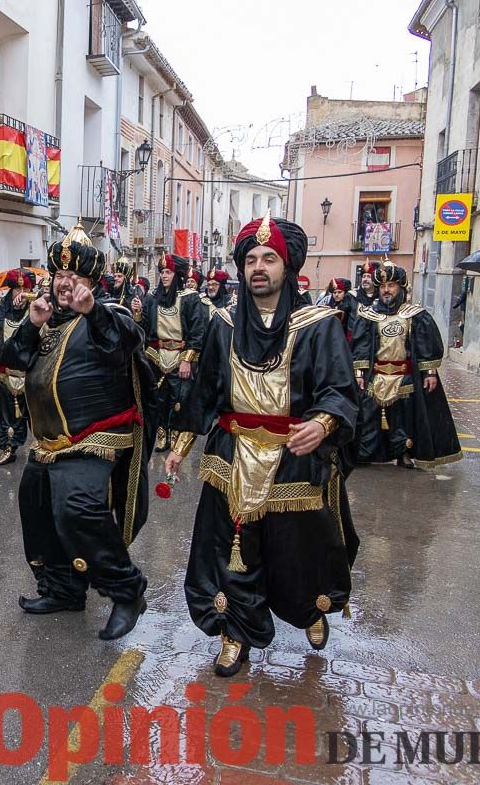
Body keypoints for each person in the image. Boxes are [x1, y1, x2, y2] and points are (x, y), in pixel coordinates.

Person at [166, 212, 359, 677]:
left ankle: (309, 608)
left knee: (296, 549)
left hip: (294, 455)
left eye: (269, 258)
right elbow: (207, 391)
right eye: (251, 258)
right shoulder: (223, 323)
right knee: (231, 549)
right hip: (233, 452)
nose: (258, 266)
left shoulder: (319, 324)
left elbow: (339, 388)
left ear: (286, 265)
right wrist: (180, 445)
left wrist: (324, 422)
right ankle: (235, 632)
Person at [0, 224, 152, 640]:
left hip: (94, 437)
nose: (66, 284)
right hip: (48, 443)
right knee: (36, 506)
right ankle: (64, 590)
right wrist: (31, 324)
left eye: (76, 278)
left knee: (77, 508)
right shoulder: (45, 319)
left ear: (92, 283)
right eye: (59, 276)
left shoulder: (109, 314)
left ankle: (127, 590)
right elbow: (12, 359)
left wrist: (93, 311)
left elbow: (125, 341)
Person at [353, 261, 462, 468]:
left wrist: (429, 372)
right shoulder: (368, 315)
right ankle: (365, 453)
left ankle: (403, 453)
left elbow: (425, 345)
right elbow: (360, 346)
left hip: (404, 376)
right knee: (368, 417)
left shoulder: (415, 315)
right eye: (383, 286)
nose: (386, 290)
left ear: (401, 288)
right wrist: (359, 372)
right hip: (376, 376)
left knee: (402, 419)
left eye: (391, 286)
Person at [146, 253, 208, 452]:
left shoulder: (190, 299)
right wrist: (138, 313)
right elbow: (145, 328)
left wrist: (188, 360)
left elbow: (198, 331)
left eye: (168, 272)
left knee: (179, 399)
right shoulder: (152, 298)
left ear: (177, 274)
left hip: (180, 355)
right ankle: (161, 434)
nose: (164, 276)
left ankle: (175, 433)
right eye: (162, 272)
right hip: (157, 355)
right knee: (158, 398)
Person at [0, 269, 35, 467]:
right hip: (5, 372)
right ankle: (9, 446)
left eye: (25, 289)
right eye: (17, 289)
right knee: (6, 413)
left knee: (34, 414)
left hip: (30, 372)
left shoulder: (36, 308)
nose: (20, 293)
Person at [108, 256, 150, 338]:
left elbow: (141, 325)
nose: (116, 278)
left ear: (126, 278)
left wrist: (137, 312)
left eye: (119, 276)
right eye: (115, 276)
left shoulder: (134, 295)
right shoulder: (109, 294)